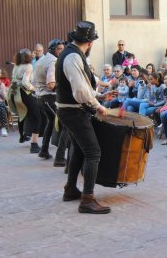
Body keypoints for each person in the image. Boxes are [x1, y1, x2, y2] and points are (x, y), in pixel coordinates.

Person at [55, 21, 110, 214]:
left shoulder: (72, 54)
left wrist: (97, 96)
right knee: (93, 152)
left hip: (70, 110)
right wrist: (98, 106)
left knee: (78, 149)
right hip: (73, 111)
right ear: (90, 43)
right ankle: (87, 199)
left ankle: (70, 189)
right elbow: (79, 91)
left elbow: (84, 86)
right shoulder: (72, 57)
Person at [35, 39, 65, 159]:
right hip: (49, 97)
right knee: (63, 125)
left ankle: (44, 150)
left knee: (51, 122)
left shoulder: (42, 59)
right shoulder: (53, 61)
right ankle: (60, 157)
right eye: (59, 49)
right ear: (52, 49)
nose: (61, 51)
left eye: (62, 49)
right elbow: (51, 84)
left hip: (41, 97)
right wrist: (64, 88)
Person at [7, 48, 42, 152]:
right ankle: (34, 144)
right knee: (37, 117)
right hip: (23, 93)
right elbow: (25, 83)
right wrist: (35, 89)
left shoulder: (16, 66)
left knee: (22, 113)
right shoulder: (29, 66)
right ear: (28, 57)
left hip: (13, 92)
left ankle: (22, 136)